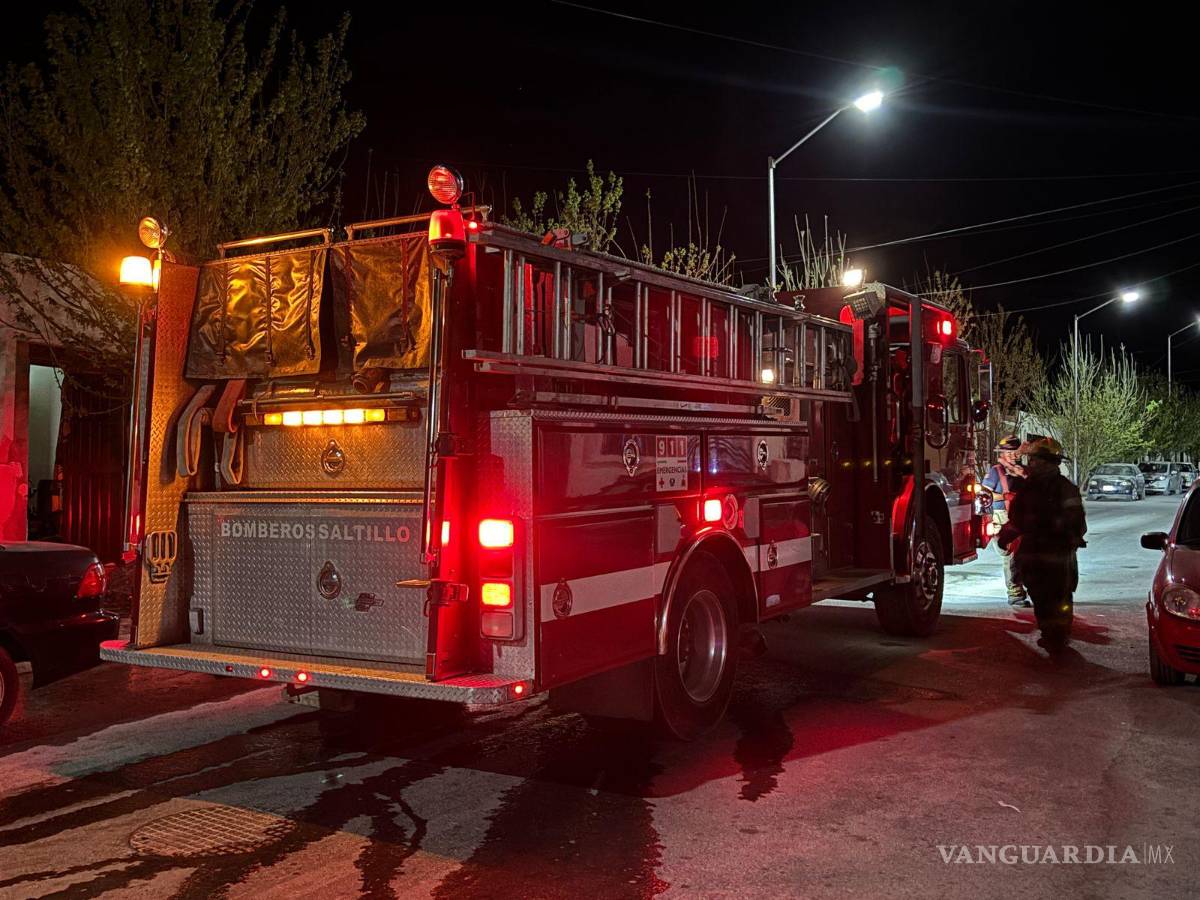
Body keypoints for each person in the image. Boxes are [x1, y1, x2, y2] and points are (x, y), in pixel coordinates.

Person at [997, 437, 1087, 648]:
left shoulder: (1062, 488)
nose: (1031, 464)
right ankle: (1051, 633)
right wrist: (1006, 535)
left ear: (1049, 462)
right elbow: (1017, 517)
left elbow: (1077, 521)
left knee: (1058, 594)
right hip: (1037, 552)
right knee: (1041, 594)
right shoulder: (1031, 487)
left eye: (1035, 460)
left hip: (1055, 552)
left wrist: (1070, 537)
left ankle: (1058, 634)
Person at [982, 434, 1029, 608]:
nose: (1012, 456)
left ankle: (1024, 588)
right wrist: (1005, 496)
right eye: (1008, 453)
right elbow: (984, 495)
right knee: (1011, 555)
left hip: (1023, 516)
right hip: (1003, 516)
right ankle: (1015, 594)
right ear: (1001, 453)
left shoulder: (1023, 472)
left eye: (1014, 452)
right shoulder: (996, 472)